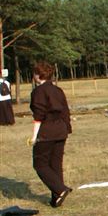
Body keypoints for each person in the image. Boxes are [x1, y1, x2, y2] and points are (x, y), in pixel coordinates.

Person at [29, 61, 73, 207]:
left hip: (47, 131)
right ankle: (56, 199)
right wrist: (67, 129)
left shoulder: (38, 92)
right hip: (61, 130)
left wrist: (34, 136)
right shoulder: (57, 90)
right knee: (55, 165)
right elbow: (65, 111)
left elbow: (39, 116)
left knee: (40, 164)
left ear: (38, 75)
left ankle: (60, 189)